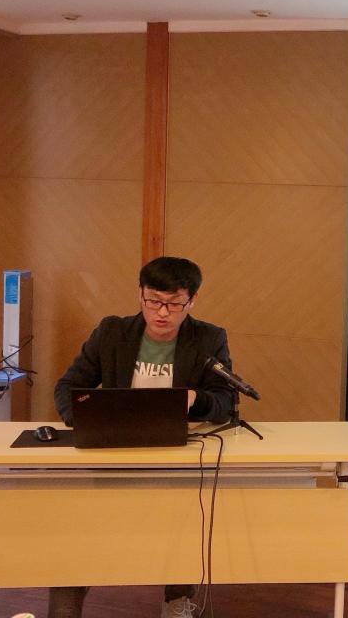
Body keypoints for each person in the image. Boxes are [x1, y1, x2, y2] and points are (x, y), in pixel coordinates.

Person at [49, 256, 234, 618]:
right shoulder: (112, 332)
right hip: (111, 454)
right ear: (140, 295)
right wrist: (86, 421)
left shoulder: (208, 338)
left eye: (174, 304)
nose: (162, 312)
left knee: (187, 522)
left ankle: (177, 600)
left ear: (191, 301)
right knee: (75, 532)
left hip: (177, 460)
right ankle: (65, 608)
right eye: (153, 301)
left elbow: (226, 402)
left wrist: (196, 400)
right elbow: (67, 386)